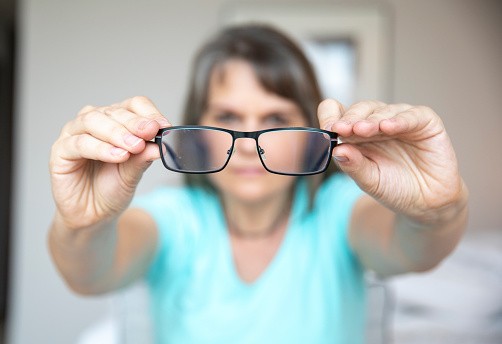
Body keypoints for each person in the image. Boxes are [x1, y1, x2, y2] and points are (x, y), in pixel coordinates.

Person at [48, 25, 469, 343]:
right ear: (198, 125)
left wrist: (437, 213)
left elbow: (415, 248)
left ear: (309, 129)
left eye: (275, 119)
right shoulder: (173, 218)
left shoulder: (340, 210)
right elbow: (89, 276)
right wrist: (83, 225)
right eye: (228, 117)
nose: (248, 145)